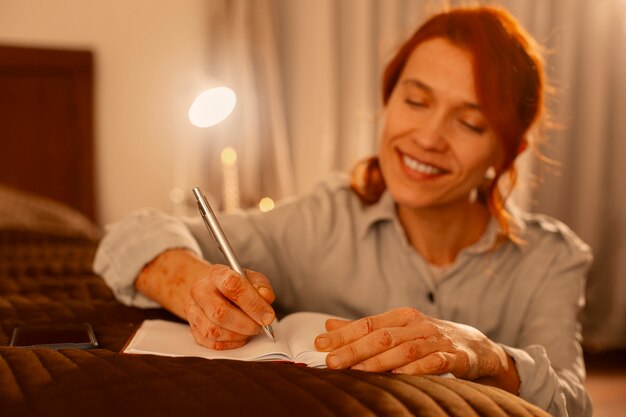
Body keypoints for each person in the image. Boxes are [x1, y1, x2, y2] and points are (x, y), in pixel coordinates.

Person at [94, 5, 592, 417]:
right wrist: (196, 288)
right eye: (415, 101)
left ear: (507, 154)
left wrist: (488, 356)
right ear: (388, 100)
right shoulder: (323, 220)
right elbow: (129, 236)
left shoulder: (553, 259)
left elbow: (574, 403)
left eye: (469, 123)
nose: (428, 137)